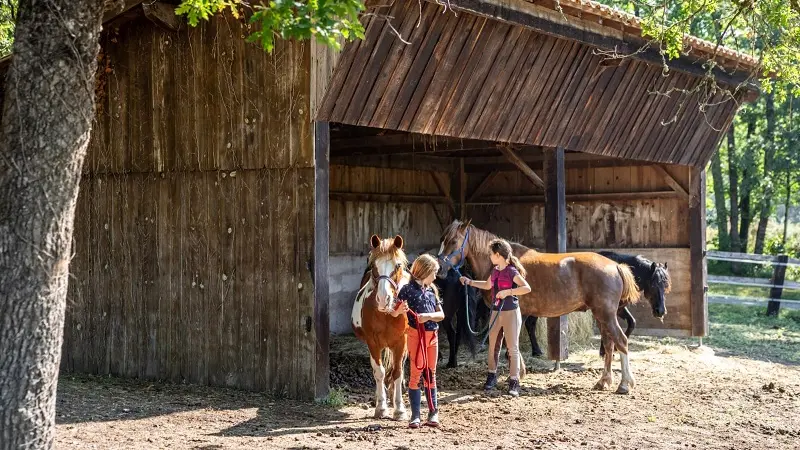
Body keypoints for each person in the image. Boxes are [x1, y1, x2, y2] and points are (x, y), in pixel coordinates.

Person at [459, 239, 531, 397]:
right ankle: (491, 376)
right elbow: (487, 285)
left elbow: (526, 288)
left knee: (512, 348)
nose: (489, 257)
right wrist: (469, 282)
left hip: (510, 312)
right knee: (493, 346)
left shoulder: (512, 271)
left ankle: (514, 382)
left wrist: (507, 292)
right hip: (495, 312)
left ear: (498, 255)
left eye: (491, 254)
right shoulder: (495, 270)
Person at [393, 254, 445, 428]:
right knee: (416, 373)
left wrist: (428, 316)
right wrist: (400, 309)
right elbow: (394, 312)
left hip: (432, 337)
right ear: (426, 271)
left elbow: (441, 315)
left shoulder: (432, 291)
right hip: (416, 335)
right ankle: (415, 415)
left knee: (431, 373)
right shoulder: (407, 290)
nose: (435, 277)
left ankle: (433, 412)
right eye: (434, 273)